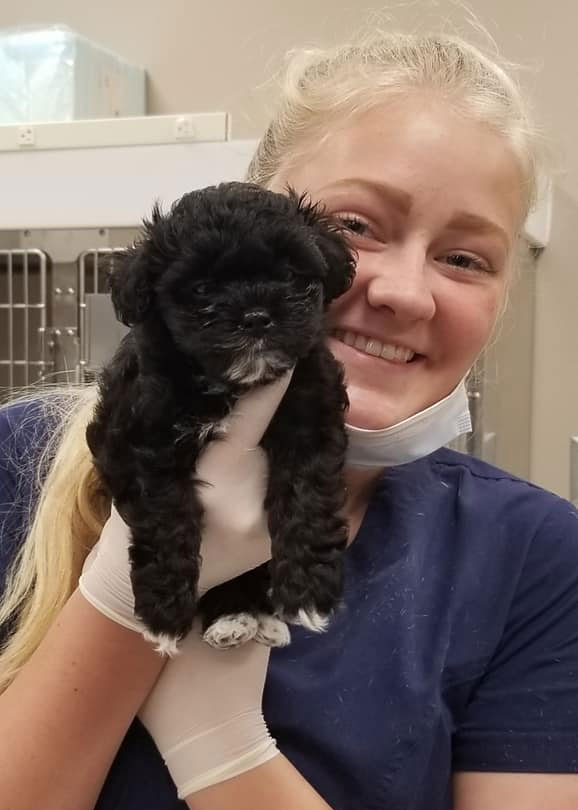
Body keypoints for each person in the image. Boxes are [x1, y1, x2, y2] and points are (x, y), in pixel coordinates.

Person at [1, 26, 578, 810]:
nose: (406, 292)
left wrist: (221, 745)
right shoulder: (24, 461)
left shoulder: (536, 560)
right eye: (357, 225)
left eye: (466, 258)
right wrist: (115, 611)